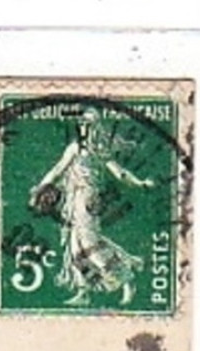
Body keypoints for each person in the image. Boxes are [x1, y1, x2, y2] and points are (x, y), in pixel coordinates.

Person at [29, 108, 156, 307]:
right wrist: (41, 187)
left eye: (86, 125)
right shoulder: (75, 148)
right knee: (74, 248)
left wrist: (140, 183)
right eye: (81, 124)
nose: (83, 128)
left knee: (90, 245)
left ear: (94, 127)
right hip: (72, 200)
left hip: (87, 200)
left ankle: (126, 278)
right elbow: (57, 170)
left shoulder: (99, 149)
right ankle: (84, 291)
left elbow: (120, 173)